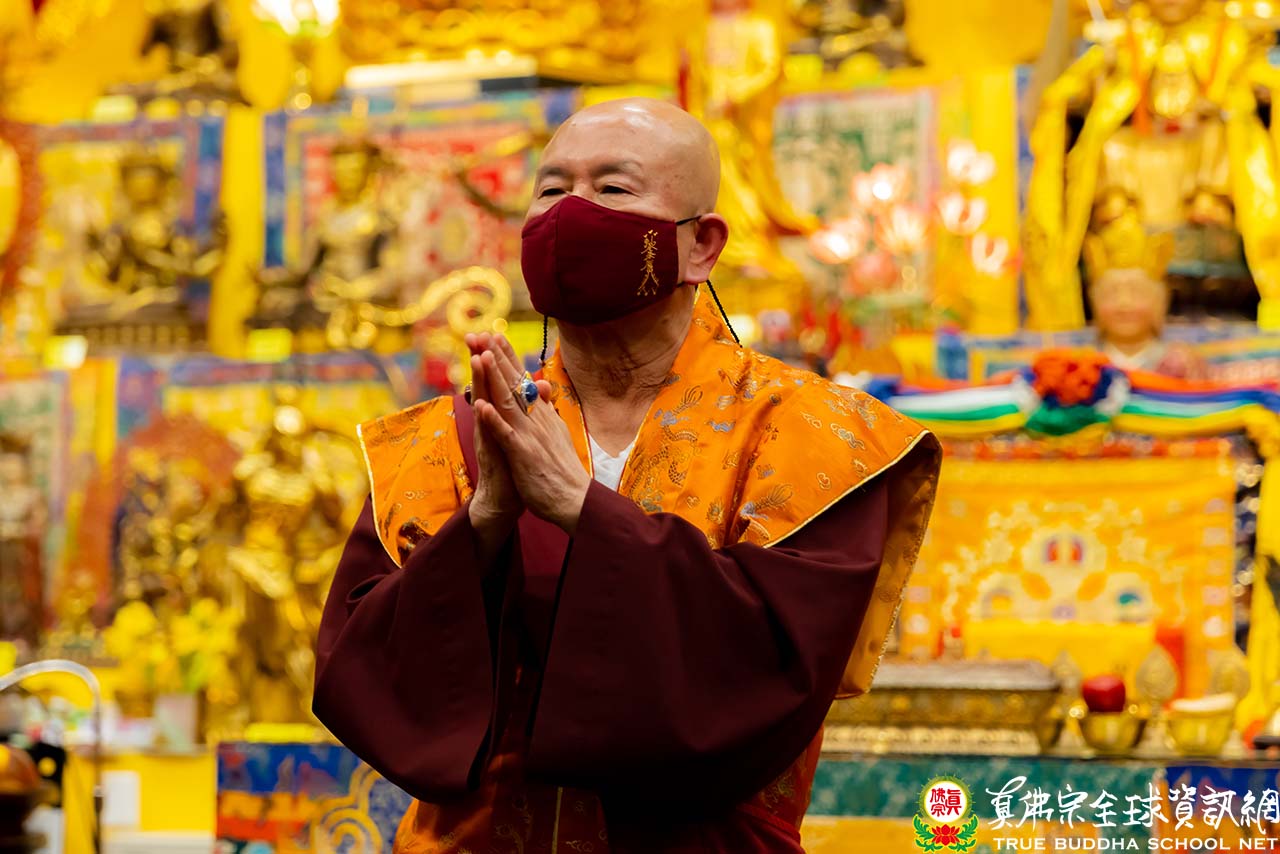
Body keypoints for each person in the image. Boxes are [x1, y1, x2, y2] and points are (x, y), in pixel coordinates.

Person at [314, 97, 941, 853]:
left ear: (701, 245)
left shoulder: (816, 437)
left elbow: (770, 672)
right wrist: (482, 528)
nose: (568, 213)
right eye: (550, 190)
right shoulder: (448, 439)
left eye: (612, 189)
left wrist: (584, 511)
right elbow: (361, 679)